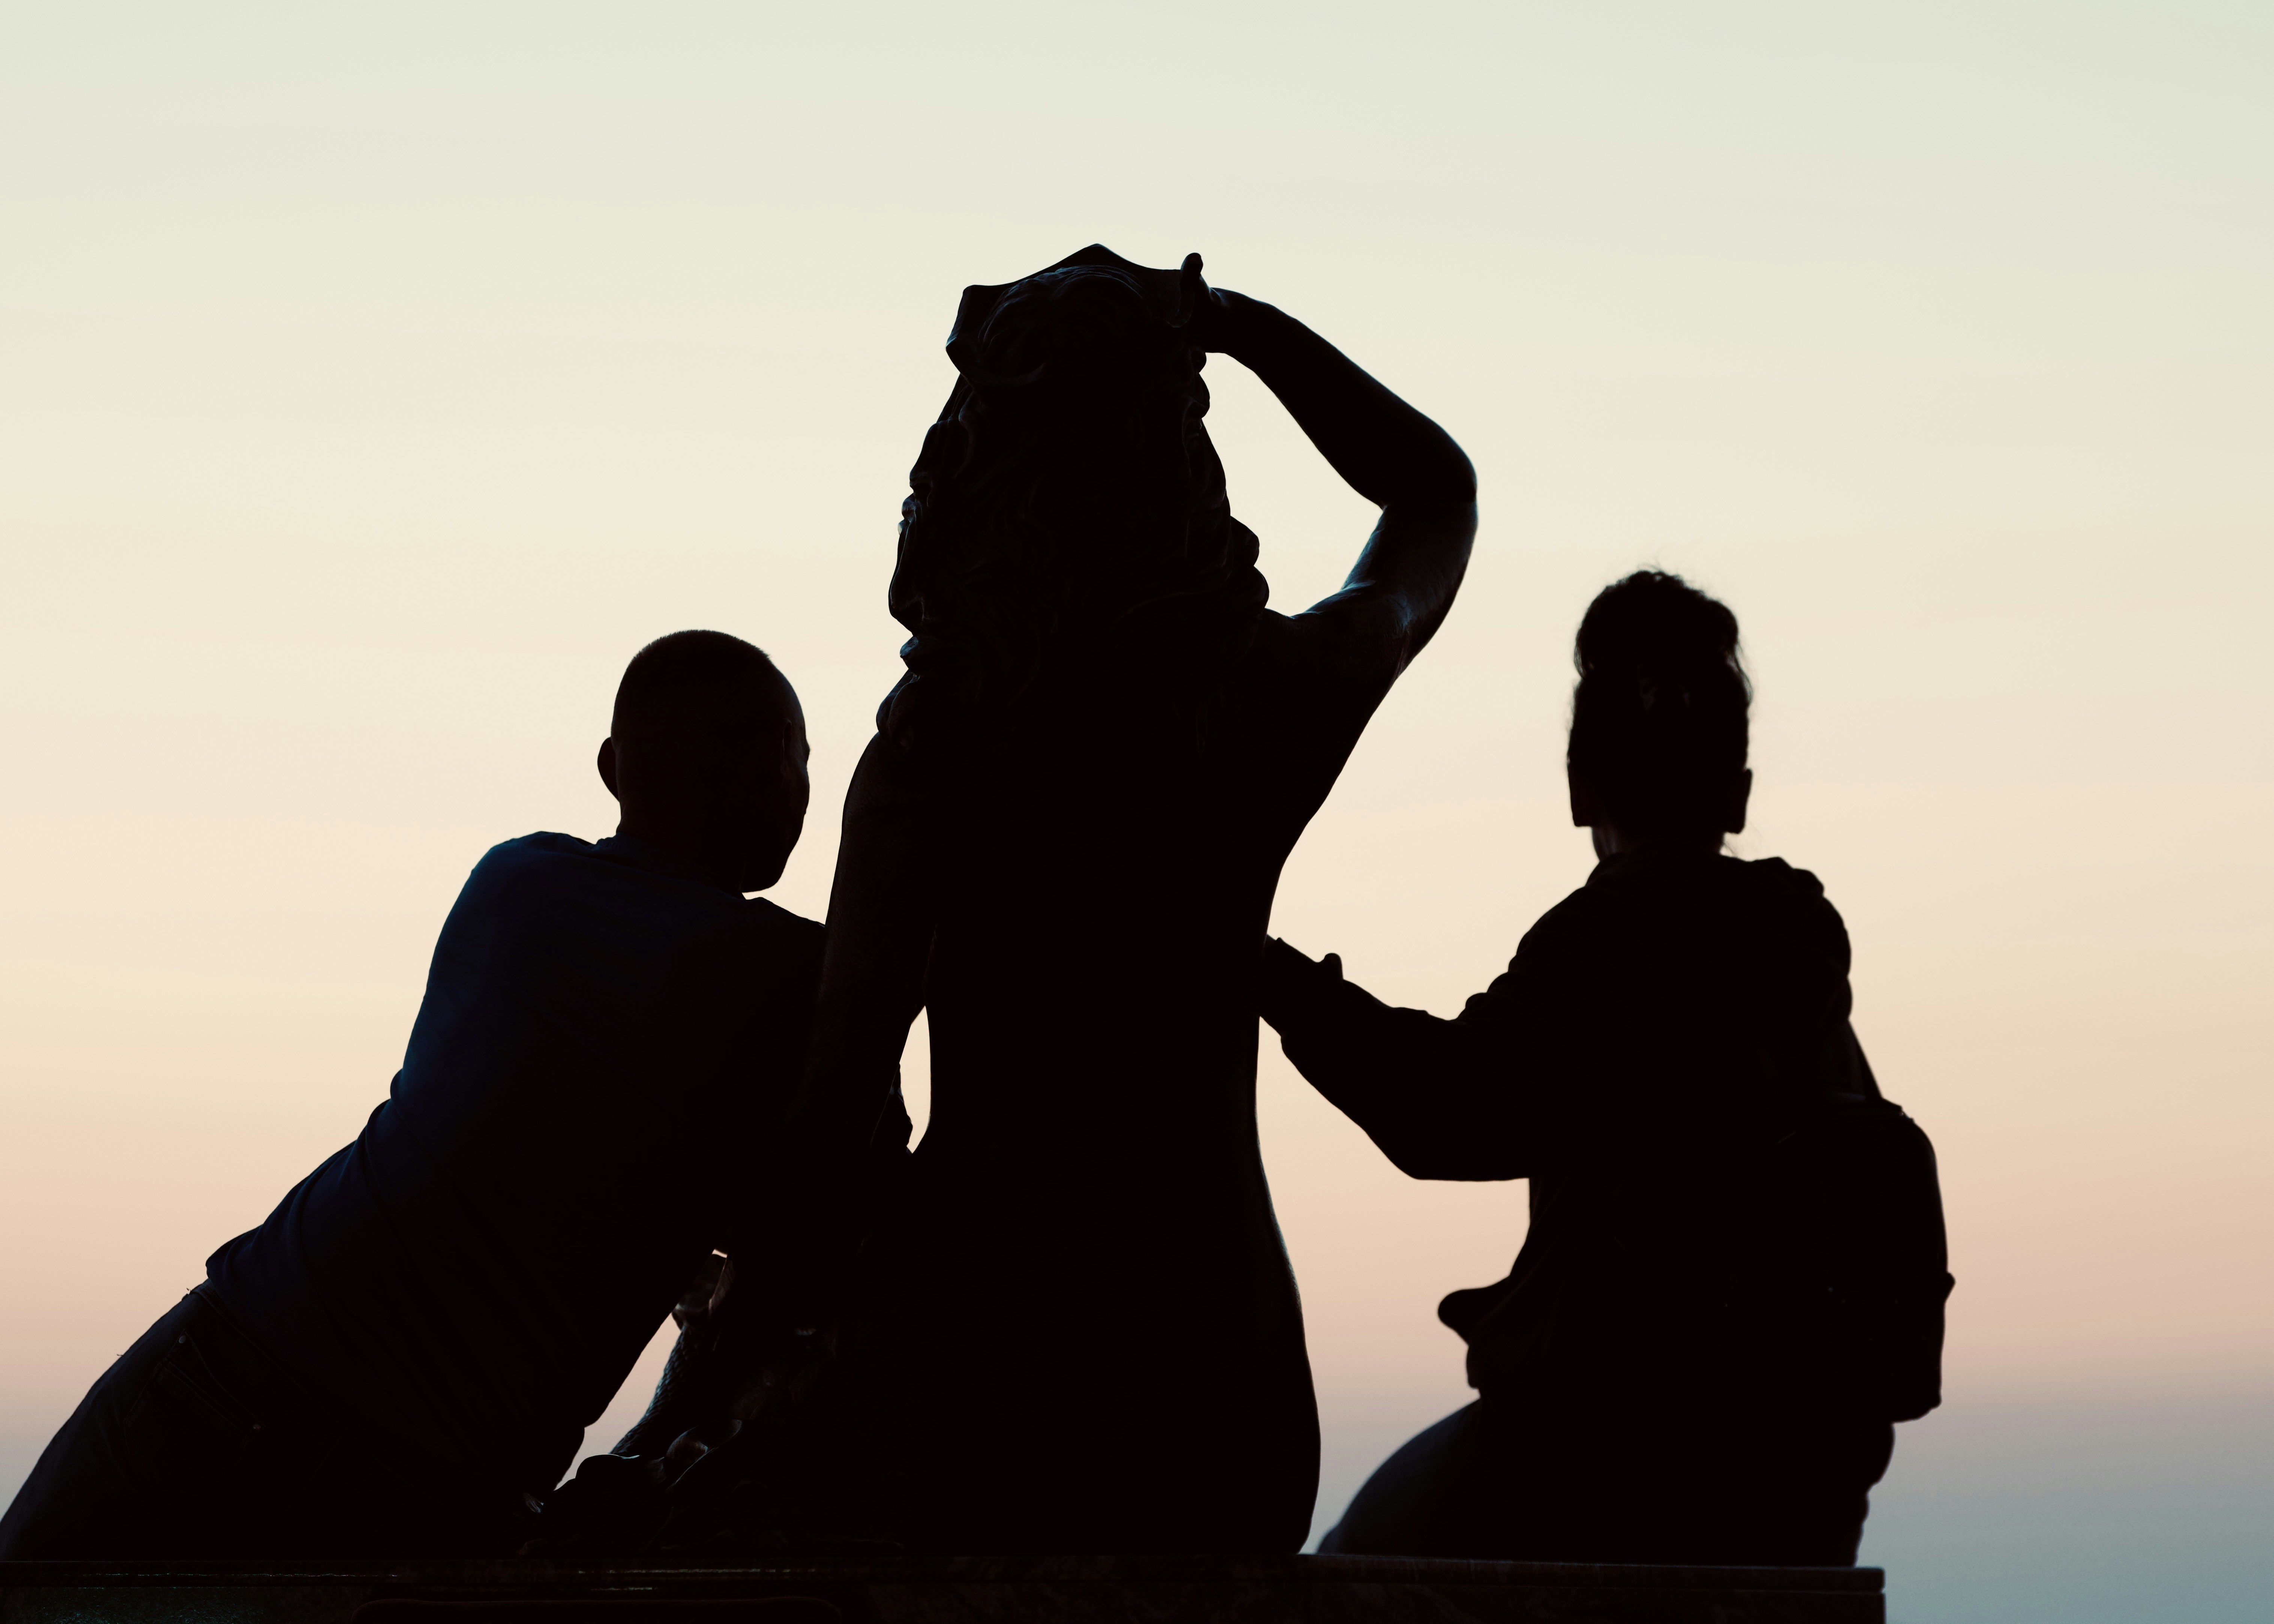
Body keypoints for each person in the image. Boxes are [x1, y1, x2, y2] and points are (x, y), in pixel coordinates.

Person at [673, 246, 1477, 1556]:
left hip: (964, 1369)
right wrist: (1237, 326)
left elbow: (832, 1122)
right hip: (1210, 1375)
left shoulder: (928, 757)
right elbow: (1434, 492)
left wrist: (690, 1405)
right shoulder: (1260, 709)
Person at [0, 631, 821, 1559]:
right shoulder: (798, 986)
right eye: (796, 756)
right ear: (774, 768)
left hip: (239, 1354)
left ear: (611, 769)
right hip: (424, 1486)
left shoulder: (515, 885)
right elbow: (787, 1252)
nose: (797, 783)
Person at [1260, 571, 1951, 1565]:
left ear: (1580, 786)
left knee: (1345, 1574)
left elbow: (1445, 1110)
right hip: (1809, 1473)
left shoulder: (1609, 937)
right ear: (1737, 794)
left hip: (1613, 1451)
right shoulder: (1799, 964)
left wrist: (1274, 980)